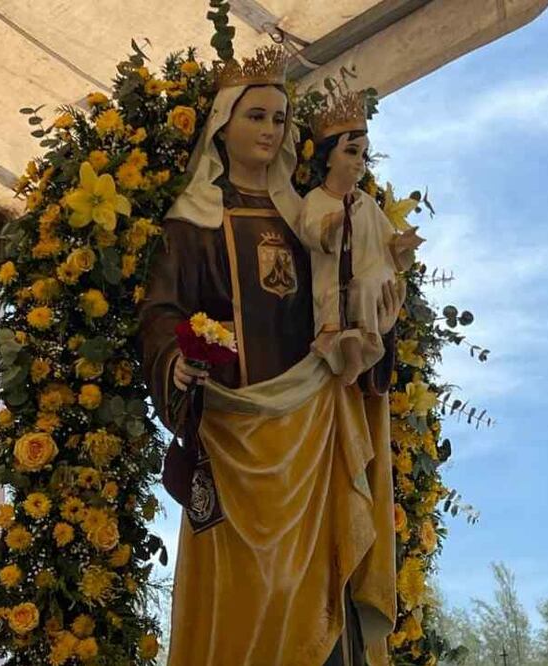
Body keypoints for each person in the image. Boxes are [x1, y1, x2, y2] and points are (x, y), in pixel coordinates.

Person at [138, 46, 400, 665]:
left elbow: (353, 296)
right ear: (223, 125)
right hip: (235, 439)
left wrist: (380, 320)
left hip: (315, 427)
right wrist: (175, 361)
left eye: (280, 119)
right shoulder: (194, 220)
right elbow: (161, 313)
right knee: (248, 597)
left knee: (318, 589)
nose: (269, 130)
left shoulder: (309, 216)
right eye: (256, 116)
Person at [292, 90, 423, 386]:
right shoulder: (316, 199)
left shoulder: (365, 202)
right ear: (328, 159)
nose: (359, 162)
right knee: (340, 299)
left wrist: (401, 246)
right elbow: (312, 233)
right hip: (332, 285)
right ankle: (350, 356)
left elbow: (388, 246)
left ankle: (361, 354)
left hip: (371, 280)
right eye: (351, 151)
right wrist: (339, 219)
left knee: (362, 288)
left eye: (363, 154)